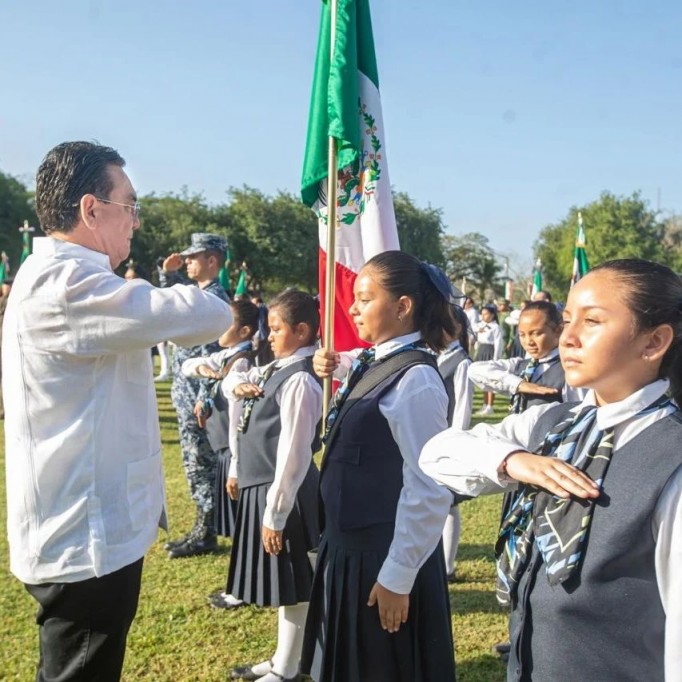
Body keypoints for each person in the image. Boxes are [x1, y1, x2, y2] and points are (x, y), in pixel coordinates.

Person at [3, 141, 231, 681]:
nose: (135, 221)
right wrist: (188, 281)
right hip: (84, 537)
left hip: (84, 524)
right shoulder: (68, 285)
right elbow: (209, 314)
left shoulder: (65, 278)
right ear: (90, 209)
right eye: (129, 206)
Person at [420, 258, 682, 681]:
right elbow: (436, 453)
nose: (569, 337)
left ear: (653, 342)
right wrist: (512, 461)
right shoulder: (554, 423)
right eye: (567, 320)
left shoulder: (670, 459)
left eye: (592, 321)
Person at [301, 251, 456, 682]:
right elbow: (364, 370)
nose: (352, 308)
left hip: (381, 558)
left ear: (403, 306)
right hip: (349, 548)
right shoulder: (377, 359)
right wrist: (338, 363)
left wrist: (398, 575)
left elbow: (428, 487)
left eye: (365, 298)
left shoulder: (416, 380)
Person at [225, 290, 322, 682]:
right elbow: (231, 379)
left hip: (285, 493)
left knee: (297, 584)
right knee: (289, 584)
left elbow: (294, 455)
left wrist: (276, 514)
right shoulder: (276, 368)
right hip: (266, 488)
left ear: (301, 331)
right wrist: (237, 387)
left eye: (277, 329)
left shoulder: (300, 381)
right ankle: (285, 659)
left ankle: (288, 669)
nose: (268, 337)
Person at [181, 299, 260, 610]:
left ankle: (242, 589)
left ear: (243, 330)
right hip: (225, 453)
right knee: (240, 528)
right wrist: (200, 368)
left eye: (225, 324)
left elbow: (239, 422)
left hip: (234, 453)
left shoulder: (240, 363)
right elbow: (188, 365)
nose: (219, 330)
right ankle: (240, 585)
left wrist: (235, 467)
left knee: (245, 528)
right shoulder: (225, 356)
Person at [160, 234, 231, 558]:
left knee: (201, 466)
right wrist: (169, 277)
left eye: (194, 257)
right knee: (196, 465)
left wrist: (203, 400)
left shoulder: (214, 300)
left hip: (199, 402)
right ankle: (205, 527)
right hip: (189, 398)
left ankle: (206, 532)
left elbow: (214, 360)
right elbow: (169, 311)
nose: (187, 262)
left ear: (212, 261)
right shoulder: (200, 296)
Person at [438, 303, 474, 581]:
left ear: (458, 328)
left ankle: (448, 566)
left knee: (448, 505)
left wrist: (455, 443)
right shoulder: (433, 355)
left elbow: (462, 408)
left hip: (446, 440)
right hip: (428, 439)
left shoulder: (462, 363)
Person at [473, 304, 504, 415]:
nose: (484, 316)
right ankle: (485, 404)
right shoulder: (481, 325)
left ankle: (490, 405)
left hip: (489, 351)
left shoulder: (495, 327)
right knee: (483, 380)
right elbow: (473, 327)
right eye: (482, 314)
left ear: (492, 315)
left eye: (486, 314)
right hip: (481, 350)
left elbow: (498, 343)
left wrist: (496, 358)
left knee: (490, 380)